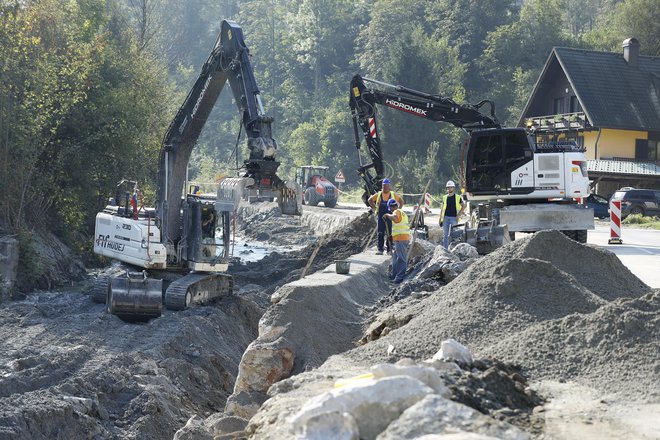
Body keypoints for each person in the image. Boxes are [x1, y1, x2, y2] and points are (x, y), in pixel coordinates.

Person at [368, 178, 404, 255]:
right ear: (382, 186)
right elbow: (370, 200)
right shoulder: (379, 194)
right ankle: (380, 249)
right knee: (380, 232)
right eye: (384, 186)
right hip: (381, 216)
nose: (385, 187)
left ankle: (389, 249)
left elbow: (401, 201)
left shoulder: (393, 195)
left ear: (389, 186)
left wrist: (398, 210)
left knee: (390, 233)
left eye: (387, 186)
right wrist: (375, 208)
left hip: (390, 216)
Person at [384, 198, 410, 284]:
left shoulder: (396, 212)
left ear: (391, 207)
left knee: (401, 259)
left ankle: (399, 277)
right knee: (395, 258)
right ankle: (394, 275)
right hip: (400, 238)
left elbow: (394, 218)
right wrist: (392, 236)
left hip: (401, 239)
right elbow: (399, 225)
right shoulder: (402, 213)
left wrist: (387, 215)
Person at [440, 180, 465, 249]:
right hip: (445, 218)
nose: (449, 189)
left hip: (454, 218)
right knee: (445, 235)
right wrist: (440, 219)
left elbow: (464, 206)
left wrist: (458, 215)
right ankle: (445, 249)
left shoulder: (457, 197)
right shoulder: (444, 197)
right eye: (448, 188)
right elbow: (442, 209)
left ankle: (455, 249)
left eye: (450, 187)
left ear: (453, 188)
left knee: (455, 235)